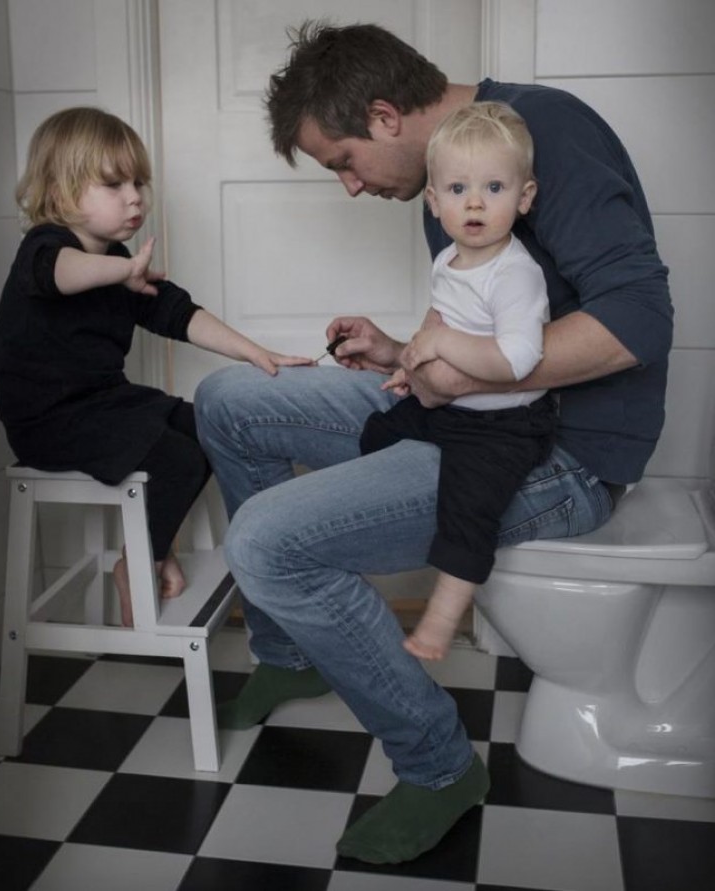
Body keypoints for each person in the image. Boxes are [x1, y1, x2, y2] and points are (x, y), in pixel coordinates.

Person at [194, 21, 672, 865]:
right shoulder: (449, 181)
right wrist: (397, 351)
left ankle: (440, 766)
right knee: (228, 399)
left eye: (341, 160)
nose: (348, 186)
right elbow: (463, 322)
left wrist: (469, 379)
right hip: (466, 414)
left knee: (266, 544)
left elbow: (640, 320)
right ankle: (289, 649)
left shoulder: (538, 134)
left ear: (384, 116)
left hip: (557, 456)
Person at [0, 106, 312, 628]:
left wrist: (256, 352)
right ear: (62, 190)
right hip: (48, 421)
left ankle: (159, 550)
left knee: (211, 429)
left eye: (139, 181)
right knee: (176, 460)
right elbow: (59, 274)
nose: (135, 195)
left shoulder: (119, 259)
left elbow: (179, 314)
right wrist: (123, 271)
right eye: (114, 183)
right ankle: (138, 564)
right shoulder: (46, 249)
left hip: (105, 403)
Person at [360, 102, 555, 661]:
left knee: (469, 511)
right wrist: (411, 360)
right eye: (458, 188)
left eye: (494, 187)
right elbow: (437, 320)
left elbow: (519, 358)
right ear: (434, 201)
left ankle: (440, 624)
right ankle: (381, 516)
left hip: (506, 425)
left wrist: (443, 347)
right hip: (452, 407)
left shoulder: (515, 273)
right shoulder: (450, 258)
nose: (474, 202)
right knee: (377, 433)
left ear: (524, 198)